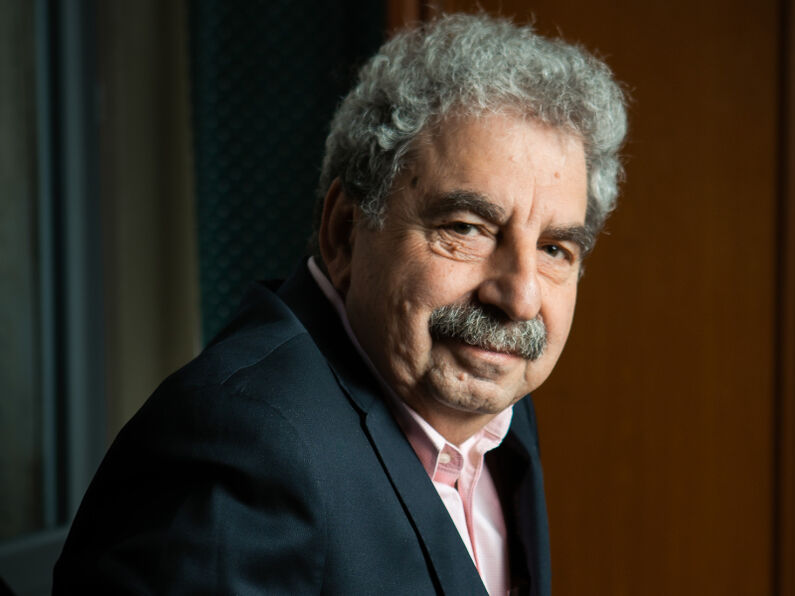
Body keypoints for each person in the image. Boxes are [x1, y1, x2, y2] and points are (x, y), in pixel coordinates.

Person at [53, 12, 627, 595]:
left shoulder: (490, 397)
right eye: (466, 228)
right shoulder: (243, 448)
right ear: (345, 232)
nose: (520, 297)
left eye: (554, 249)